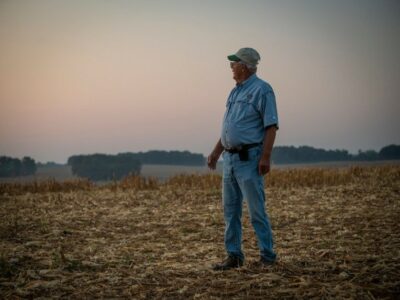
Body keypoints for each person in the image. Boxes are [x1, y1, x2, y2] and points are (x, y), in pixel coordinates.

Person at [208, 47, 279, 270]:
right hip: (229, 160)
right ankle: (234, 256)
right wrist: (216, 152)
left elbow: (271, 126)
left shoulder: (263, 90)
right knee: (230, 211)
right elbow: (228, 128)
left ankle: (267, 257)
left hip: (250, 159)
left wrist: (265, 157)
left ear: (246, 66)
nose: (231, 66)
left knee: (256, 210)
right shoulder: (234, 92)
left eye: (235, 63)